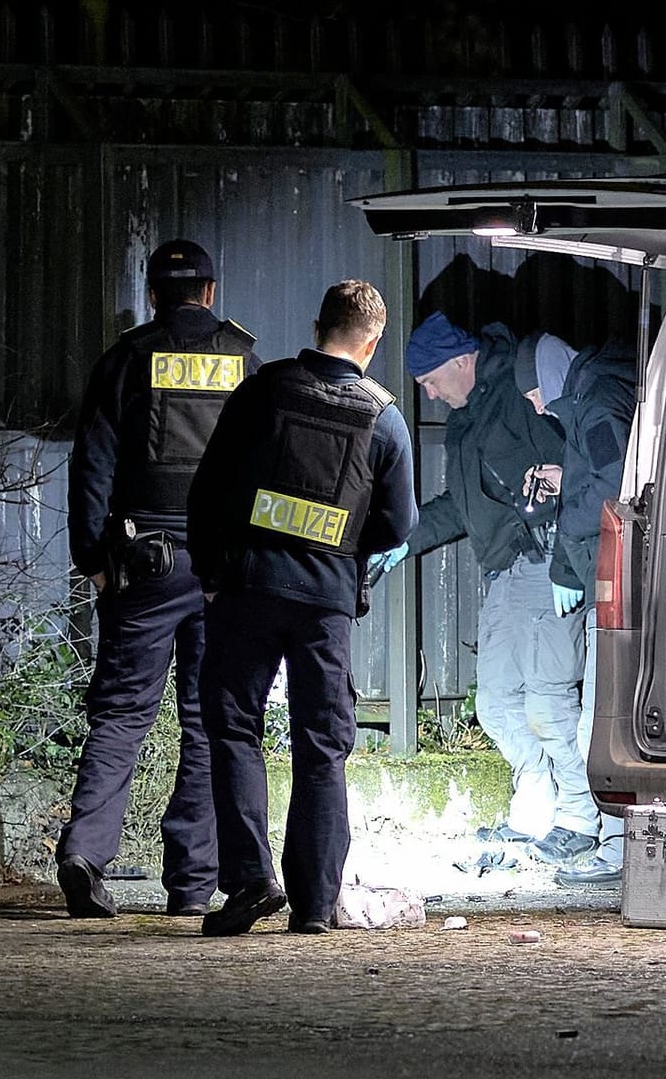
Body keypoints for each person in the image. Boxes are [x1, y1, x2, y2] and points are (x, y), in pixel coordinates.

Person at [186, 279, 416, 936]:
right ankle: (314, 905)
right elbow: (398, 523)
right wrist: (344, 549)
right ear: (372, 343)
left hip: (247, 588)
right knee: (321, 747)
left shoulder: (263, 389)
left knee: (232, 727)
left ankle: (252, 880)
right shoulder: (383, 416)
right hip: (326, 602)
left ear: (317, 325)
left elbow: (209, 490)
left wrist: (211, 572)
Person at [57, 238, 262, 919]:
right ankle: (191, 884)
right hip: (221, 567)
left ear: (153, 295)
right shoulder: (243, 361)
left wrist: (92, 558)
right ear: (210, 292)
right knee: (207, 724)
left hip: (142, 559)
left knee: (120, 715)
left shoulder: (127, 358)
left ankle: (84, 854)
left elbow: (92, 464)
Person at [365, 311, 599, 868]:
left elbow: (581, 471)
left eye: (429, 380)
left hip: (550, 560)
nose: (427, 392)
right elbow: (461, 506)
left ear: (462, 361)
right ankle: (537, 808)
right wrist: (405, 540)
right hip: (508, 572)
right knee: (496, 704)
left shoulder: (522, 396)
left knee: (547, 698)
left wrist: (567, 557)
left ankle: (580, 818)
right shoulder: (466, 419)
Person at [513, 332, 639, 888]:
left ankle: (614, 848)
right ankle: (609, 840)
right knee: (596, 710)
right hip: (607, 575)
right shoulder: (594, 395)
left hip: (613, 577)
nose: (536, 407)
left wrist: (566, 544)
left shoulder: (597, 399)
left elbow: (613, 486)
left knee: (599, 716)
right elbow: (602, 469)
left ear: (553, 379)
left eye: (536, 394)